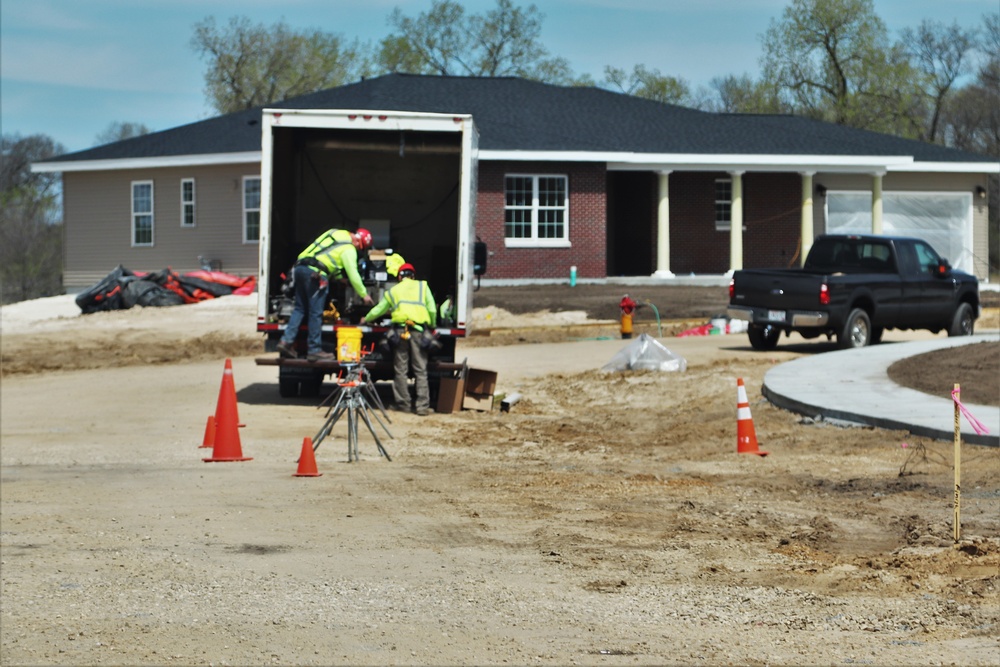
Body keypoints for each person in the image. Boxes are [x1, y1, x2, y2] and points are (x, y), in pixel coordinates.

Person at [277, 227, 374, 361]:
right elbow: (353, 274)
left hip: (299, 269)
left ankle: (286, 341)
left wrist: (340, 278)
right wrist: (364, 295)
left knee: (300, 309)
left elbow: (328, 255)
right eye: (360, 247)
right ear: (359, 243)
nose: (358, 249)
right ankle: (314, 350)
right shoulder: (349, 249)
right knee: (315, 313)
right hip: (315, 275)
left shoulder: (335, 232)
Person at [362, 263, 437, 415]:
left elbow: (379, 309)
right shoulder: (423, 286)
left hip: (399, 332)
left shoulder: (393, 290)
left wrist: (366, 318)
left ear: (399, 277)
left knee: (400, 370)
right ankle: (422, 407)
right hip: (418, 331)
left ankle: (404, 405)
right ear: (413, 276)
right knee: (420, 370)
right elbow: (432, 309)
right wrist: (432, 324)